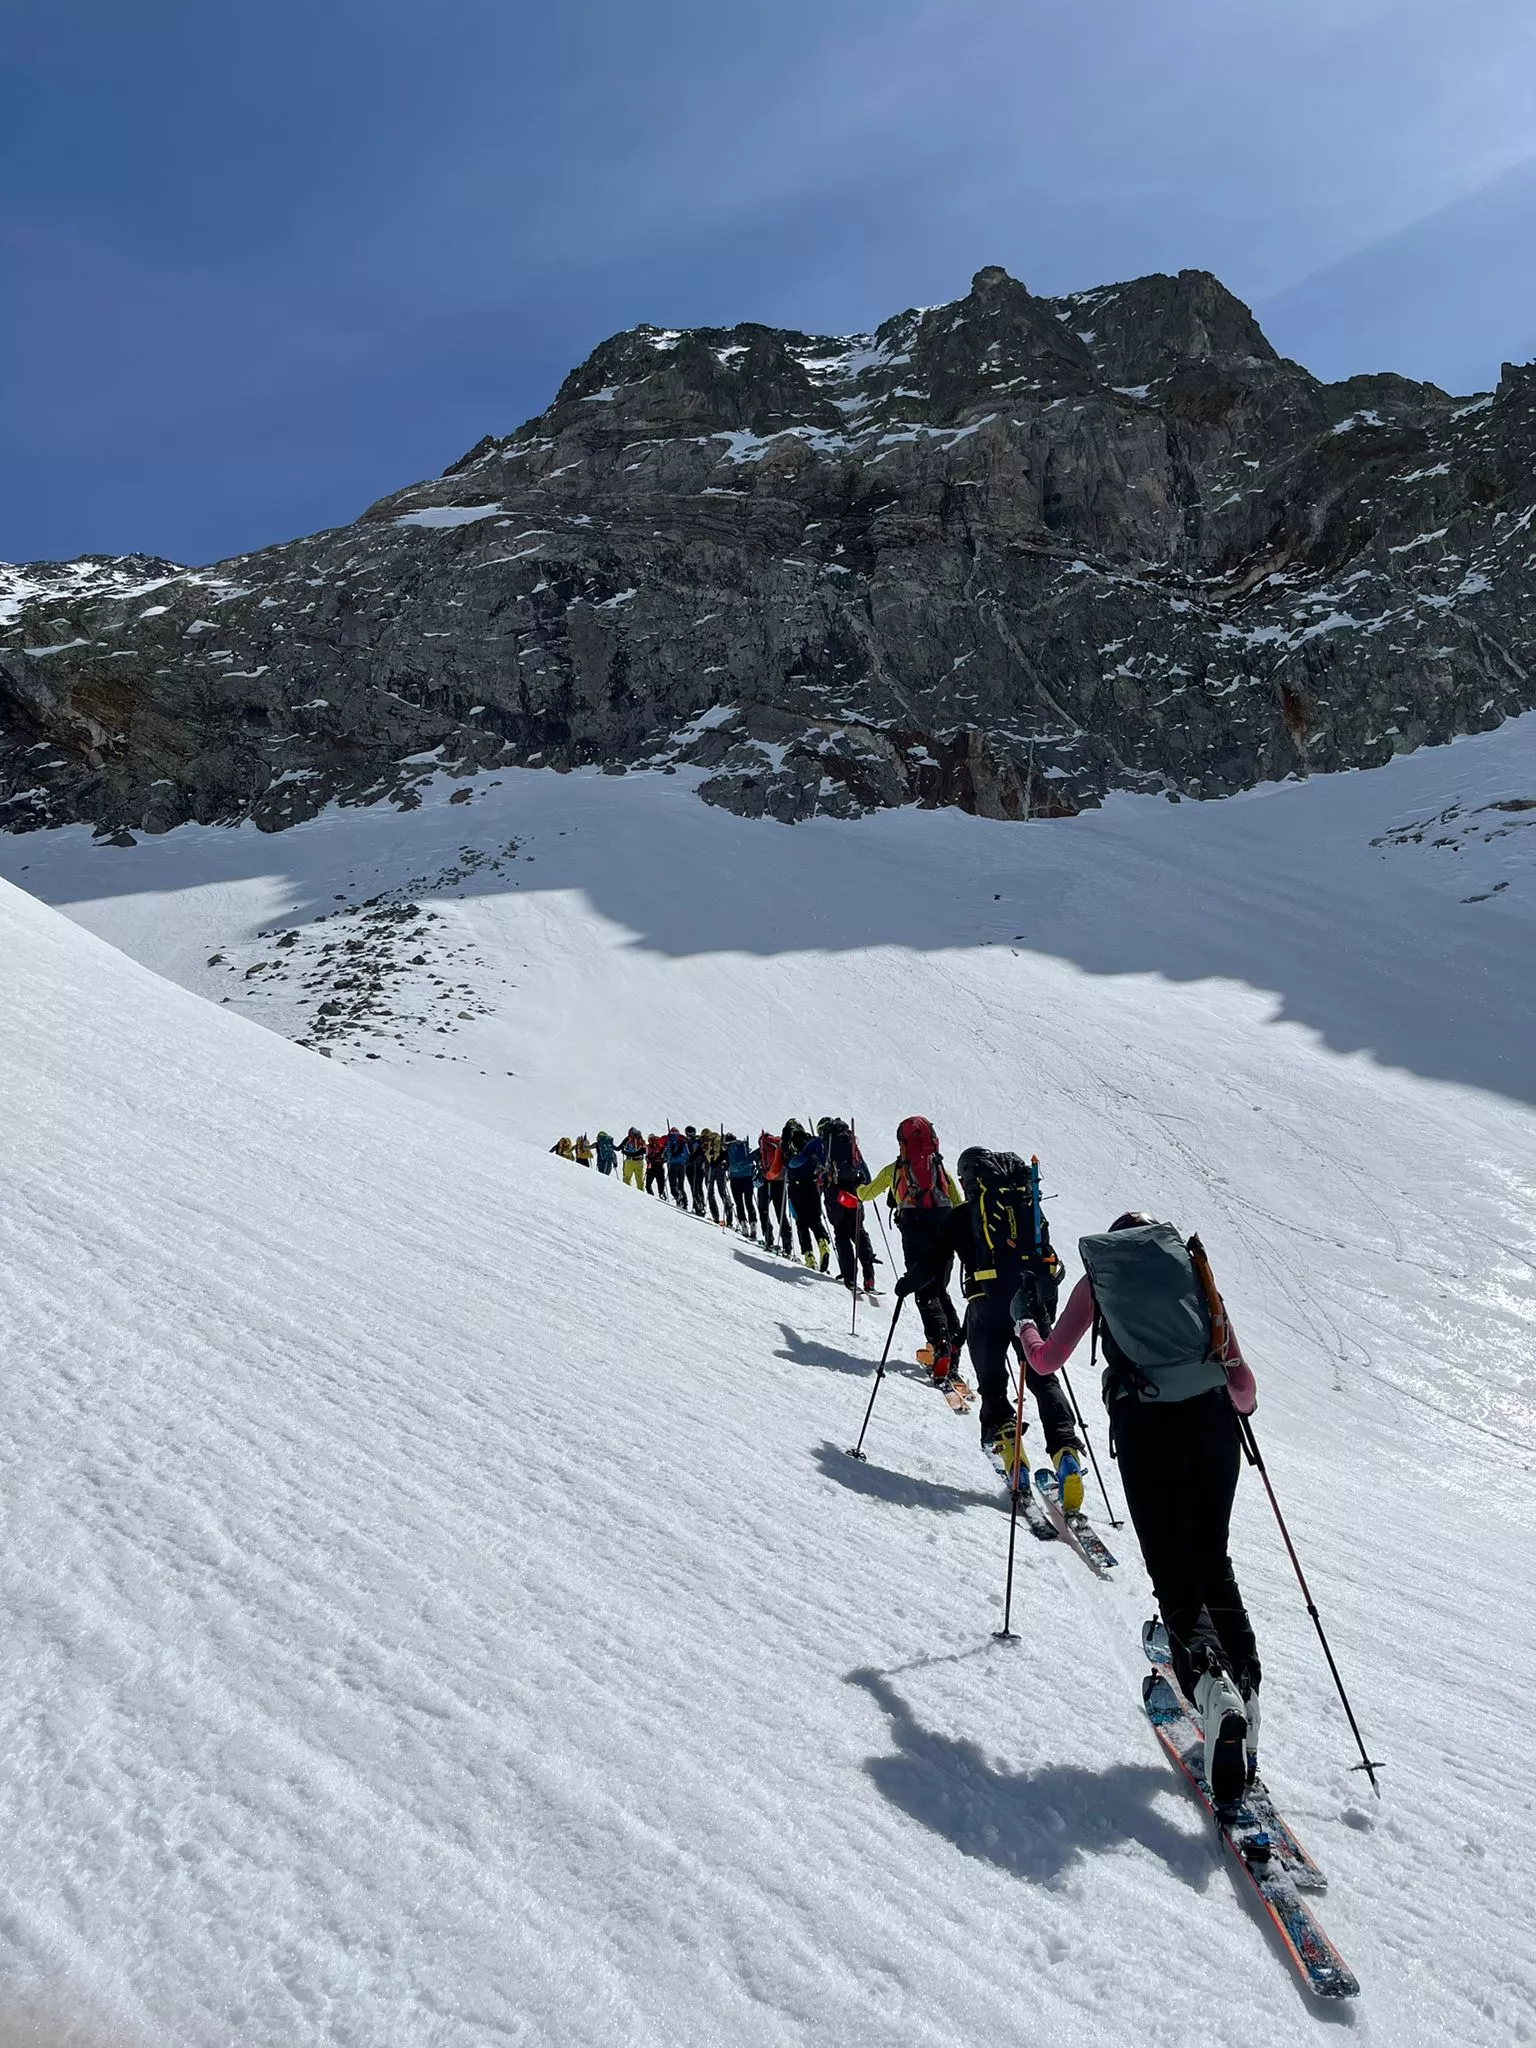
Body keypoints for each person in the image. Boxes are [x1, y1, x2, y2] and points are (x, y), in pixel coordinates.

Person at [1016, 1212, 1261, 1802]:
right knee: (1213, 1559)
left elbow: (1046, 1362)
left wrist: (1025, 1323)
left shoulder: (1101, 1279)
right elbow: (1245, 1389)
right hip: (1213, 1425)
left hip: (1147, 1429)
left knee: (1174, 1570)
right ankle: (1245, 1704)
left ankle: (1211, 1688)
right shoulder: (1193, 1274)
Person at [895, 1145, 1083, 1500]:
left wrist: (908, 1283)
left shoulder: (964, 1215)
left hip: (987, 1306)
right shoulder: (1029, 1211)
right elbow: (1046, 1264)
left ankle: (1011, 1452)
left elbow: (933, 1263)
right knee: (1043, 1380)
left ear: (967, 1181)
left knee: (993, 1385)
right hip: (1030, 1304)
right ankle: (1066, 1452)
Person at [859, 1115, 964, 1379]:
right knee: (941, 1290)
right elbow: (959, 1203)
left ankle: (939, 1345)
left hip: (914, 1230)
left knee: (924, 1291)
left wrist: (856, 1188)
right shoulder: (939, 1169)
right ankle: (952, 1346)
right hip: (944, 1228)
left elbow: (867, 1194)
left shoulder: (896, 1169)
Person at [818, 1116, 876, 1295]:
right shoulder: (850, 1142)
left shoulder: (825, 1144)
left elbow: (821, 1173)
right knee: (859, 1231)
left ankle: (850, 1276)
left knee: (841, 1234)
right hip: (853, 1193)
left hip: (835, 1195)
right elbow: (865, 1172)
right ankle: (869, 1276)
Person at [782, 1118, 831, 1271]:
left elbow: (783, 1162)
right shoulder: (809, 1140)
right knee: (815, 1219)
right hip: (811, 1184)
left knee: (801, 1222)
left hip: (795, 1187)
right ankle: (823, 1243)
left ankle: (809, 1256)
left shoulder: (786, 1141)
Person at [755, 1129, 792, 1255]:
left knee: (763, 1209)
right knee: (780, 1212)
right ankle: (787, 1245)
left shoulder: (762, 1146)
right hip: (780, 1180)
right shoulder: (778, 1145)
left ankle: (768, 1239)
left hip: (766, 1180)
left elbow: (753, 1159)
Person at [726, 1133, 757, 1235]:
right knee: (749, 1203)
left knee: (739, 1204)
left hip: (735, 1179)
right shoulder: (743, 1145)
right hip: (747, 1178)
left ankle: (744, 1224)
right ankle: (753, 1224)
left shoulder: (729, 1149)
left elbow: (726, 1164)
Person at [700, 1128, 729, 1222]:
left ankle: (715, 1215)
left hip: (710, 1168)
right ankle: (729, 1215)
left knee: (710, 1193)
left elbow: (701, 1154)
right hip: (720, 1168)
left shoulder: (707, 1142)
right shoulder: (719, 1139)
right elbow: (725, 1154)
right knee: (723, 1192)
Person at [664, 1126, 691, 1208]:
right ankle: (684, 1203)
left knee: (673, 1185)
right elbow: (687, 1154)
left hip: (672, 1165)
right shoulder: (682, 1142)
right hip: (682, 1166)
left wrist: (667, 1158)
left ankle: (678, 1198)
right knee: (681, 1186)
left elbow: (668, 1154)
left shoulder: (669, 1141)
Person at [684, 1126, 707, 1216]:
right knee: (698, 1186)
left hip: (692, 1165)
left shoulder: (689, 1141)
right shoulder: (699, 1140)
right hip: (699, 1166)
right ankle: (700, 1205)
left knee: (694, 1187)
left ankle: (698, 1207)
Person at [645, 1131, 669, 1199]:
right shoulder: (660, 1146)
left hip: (651, 1167)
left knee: (648, 1184)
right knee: (660, 1183)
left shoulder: (649, 1147)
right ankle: (662, 1195)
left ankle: (651, 1196)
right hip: (658, 1166)